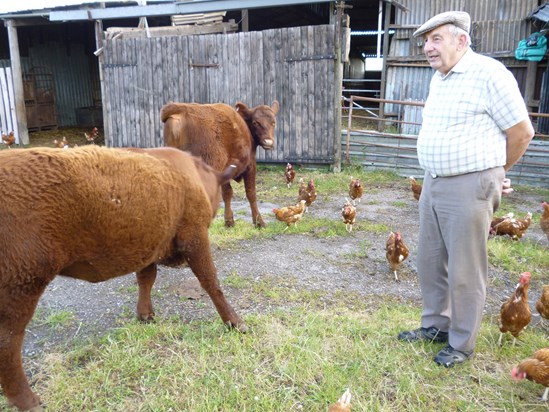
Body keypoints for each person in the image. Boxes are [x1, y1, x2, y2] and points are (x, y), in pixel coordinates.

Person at [397, 11, 535, 367]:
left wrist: (495, 171)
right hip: (433, 180)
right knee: (429, 261)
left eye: (436, 39)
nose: (427, 47)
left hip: (470, 184)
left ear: (461, 40)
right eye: (426, 41)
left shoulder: (489, 74)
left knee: (465, 268)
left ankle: (461, 342)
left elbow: (522, 133)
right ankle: (435, 325)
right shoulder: (439, 79)